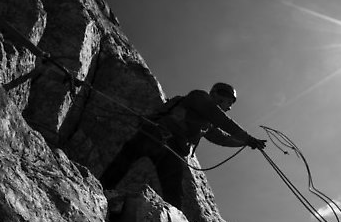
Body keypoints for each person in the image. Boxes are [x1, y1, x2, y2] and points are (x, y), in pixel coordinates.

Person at [100, 82, 267, 209]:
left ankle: (171, 217)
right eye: (229, 102)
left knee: (172, 188)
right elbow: (223, 121)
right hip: (156, 136)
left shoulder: (206, 122)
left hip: (168, 146)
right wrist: (249, 138)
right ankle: (102, 190)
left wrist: (245, 142)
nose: (229, 107)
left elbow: (221, 138)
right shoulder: (199, 98)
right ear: (219, 96)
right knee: (126, 161)